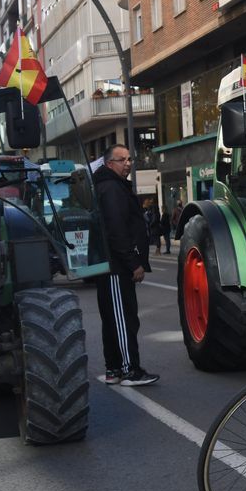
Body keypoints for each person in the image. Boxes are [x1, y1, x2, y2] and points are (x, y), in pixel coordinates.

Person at [93, 144, 159, 386]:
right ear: (109, 164)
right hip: (117, 268)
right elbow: (116, 231)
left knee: (114, 320)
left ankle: (114, 370)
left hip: (113, 266)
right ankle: (131, 370)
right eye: (122, 160)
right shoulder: (111, 188)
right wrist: (134, 264)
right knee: (123, 320)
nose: (128, 163)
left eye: (130, 158)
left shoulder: (111, 186)